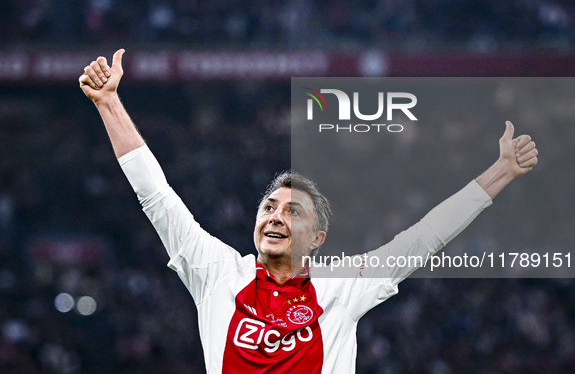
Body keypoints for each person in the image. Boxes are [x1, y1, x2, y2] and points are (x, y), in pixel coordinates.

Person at [79, 50, 538, 373]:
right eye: (269, 207)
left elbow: (425, 237)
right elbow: (156, 196)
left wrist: (501, 171)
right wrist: (109, 103)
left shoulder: (343, 287)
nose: (276, 216)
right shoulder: (217, 273)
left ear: (317, 239)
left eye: (293, 211)